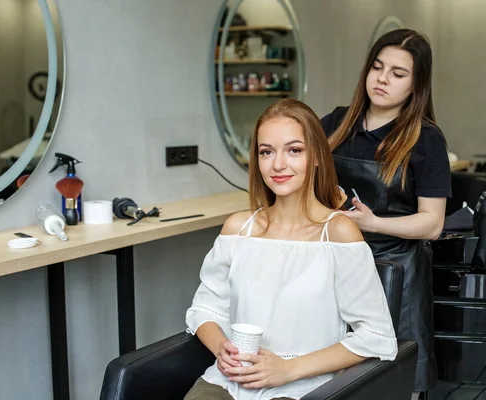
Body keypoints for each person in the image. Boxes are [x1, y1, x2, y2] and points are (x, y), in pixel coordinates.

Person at [184, 98, 397, 400]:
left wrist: (288, 369)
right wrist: (222, 347)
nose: (278, 164)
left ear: (317, 157)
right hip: (228, 382)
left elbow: (374, 336)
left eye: (294, 150)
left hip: (302, 388)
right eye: (266, 152)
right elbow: (206, 308)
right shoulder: (238, 230)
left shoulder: (337, 234)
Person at [321, 29, 452, 396]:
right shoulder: (335, 123)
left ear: (416, 84)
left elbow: (432, 223)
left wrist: (373, 222)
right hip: (336, 266)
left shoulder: (426, 139)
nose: (382, 79)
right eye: (377, 67)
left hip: (396, 273)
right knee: (330, 376)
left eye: (398, 73)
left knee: (390, 381)